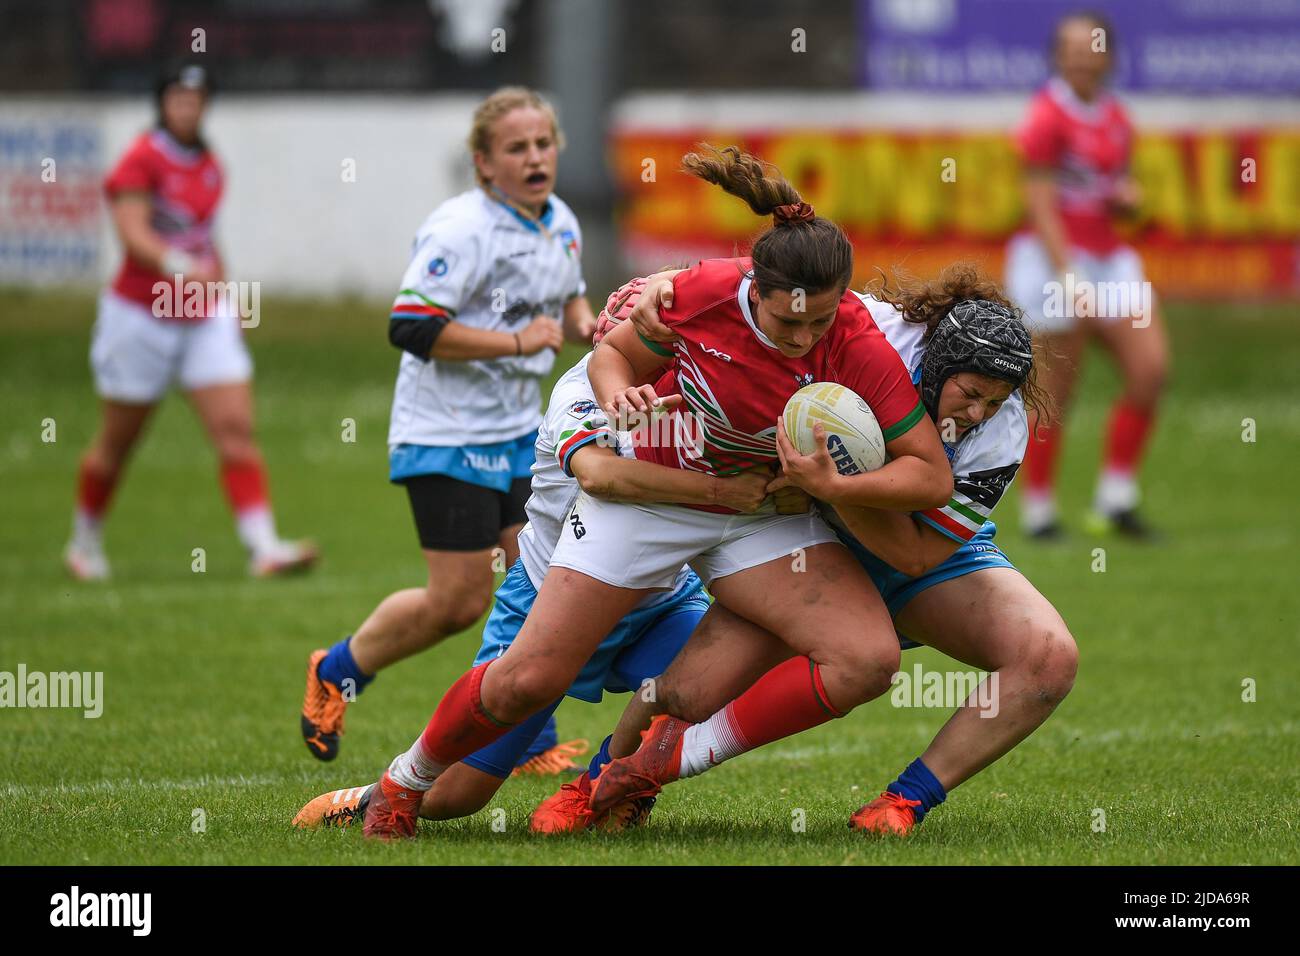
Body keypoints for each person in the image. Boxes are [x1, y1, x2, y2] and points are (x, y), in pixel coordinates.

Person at [358, 145, 952, 841]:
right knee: (526, 682)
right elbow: (612, 359)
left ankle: (643, 768)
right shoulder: (698, 296)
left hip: (757, 510)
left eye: (818, 322)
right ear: (753, 289)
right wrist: (623, 400)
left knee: (866, 658)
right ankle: (405, 779)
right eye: (788, 323)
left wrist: (835, 484)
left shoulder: (852, 339)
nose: (803, 340)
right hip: (650, 499)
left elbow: (931, 474)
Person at [581, 264, 1079, 837]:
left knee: (1048, 657)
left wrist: (832, 491)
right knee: (686, 691)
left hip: (917, 549)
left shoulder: (1002, 430)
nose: (978, 415)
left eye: (995, 402)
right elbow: (768, 274)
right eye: (970, 395)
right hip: (805, 543)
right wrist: (665, 286)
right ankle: (594, 784)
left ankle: (902, 805)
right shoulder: (871, 330)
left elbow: (917, 557)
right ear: (939, 364)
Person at [290, 284, 773, 831]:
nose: (658, 349)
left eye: (670, 336)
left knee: (723, 674)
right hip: (549, 604)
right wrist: (721, 494)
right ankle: (374, 795)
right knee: (454, 797)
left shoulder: (709, 386)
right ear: (609, 339)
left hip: (658, 603)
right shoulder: (579, 391)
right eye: (642, 337)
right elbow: (599, 475)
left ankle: (604, 787)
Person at [299, 87, 598, 770]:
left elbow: (568, 290)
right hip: (445, 436)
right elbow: (411, 325)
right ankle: (335, 670)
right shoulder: (460, 229)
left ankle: (526, 741)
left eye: (543, 144)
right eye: (516, 148)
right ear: (483, 163)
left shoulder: (560, 221)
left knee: (543, 581)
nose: (534, 158)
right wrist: (518, 343)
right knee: (457, 603)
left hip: (523, 434)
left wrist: (583, 321)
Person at [64, 62, 316, 581]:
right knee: (118, 441)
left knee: (236, 430)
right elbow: (133, 234)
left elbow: (206, 239)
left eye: (196, 98)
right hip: (141, 314)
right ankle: (84, 542)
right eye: (178, 97)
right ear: (162, 103)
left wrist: (225, 297)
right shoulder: (141, 159)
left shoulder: (208, 162)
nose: (188, 106)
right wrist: (182, 269)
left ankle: (263, 547)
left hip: (201, 316)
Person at [1007, 11, 1169, 540]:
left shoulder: (1117, 118)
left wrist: (1128, 199)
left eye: (1091, 47)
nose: (1082, 57)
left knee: (1150, 370)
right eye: (1072, 49)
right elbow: (1042, 205)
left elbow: (1111, 190)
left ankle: (1115, 500)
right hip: (1057, 261)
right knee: (1058, 388)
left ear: (1108, 54)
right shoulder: (1045, 117)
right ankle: (1039, 512)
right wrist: (1068, 274)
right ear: (1058, 55)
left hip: (1110, 257)